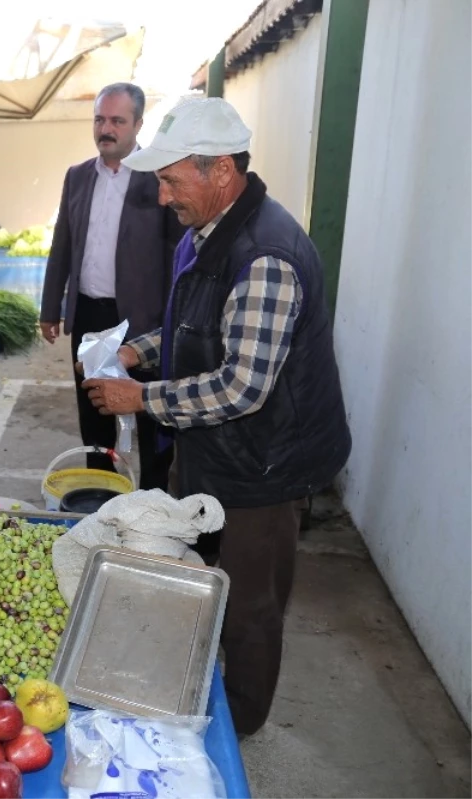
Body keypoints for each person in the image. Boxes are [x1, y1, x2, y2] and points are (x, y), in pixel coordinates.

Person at [82, 97, 351, 736]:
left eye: (173, 179)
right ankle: (193, 682)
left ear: (221, 171)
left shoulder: (264, 259)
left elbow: (240, 388)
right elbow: (193, 328)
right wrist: (136, 350)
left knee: (252, 606)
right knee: (194, 578)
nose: (162, 193)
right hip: (213, 450)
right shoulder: (206, 231)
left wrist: (140, 397)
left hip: (264, 463)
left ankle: (240, 727)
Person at [40, 82, 183, 490]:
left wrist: (173, 317)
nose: (106, 128)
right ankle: (99, 493)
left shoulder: (158, 178)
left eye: (117, 121)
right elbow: (62, 245)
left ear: (138, 124)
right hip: (89, 313)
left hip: (142, 320)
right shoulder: (79, 176)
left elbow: (177, 254)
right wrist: (51, 309)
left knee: (148, 415)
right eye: (100, 119)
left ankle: (152, 503)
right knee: (94, 410)